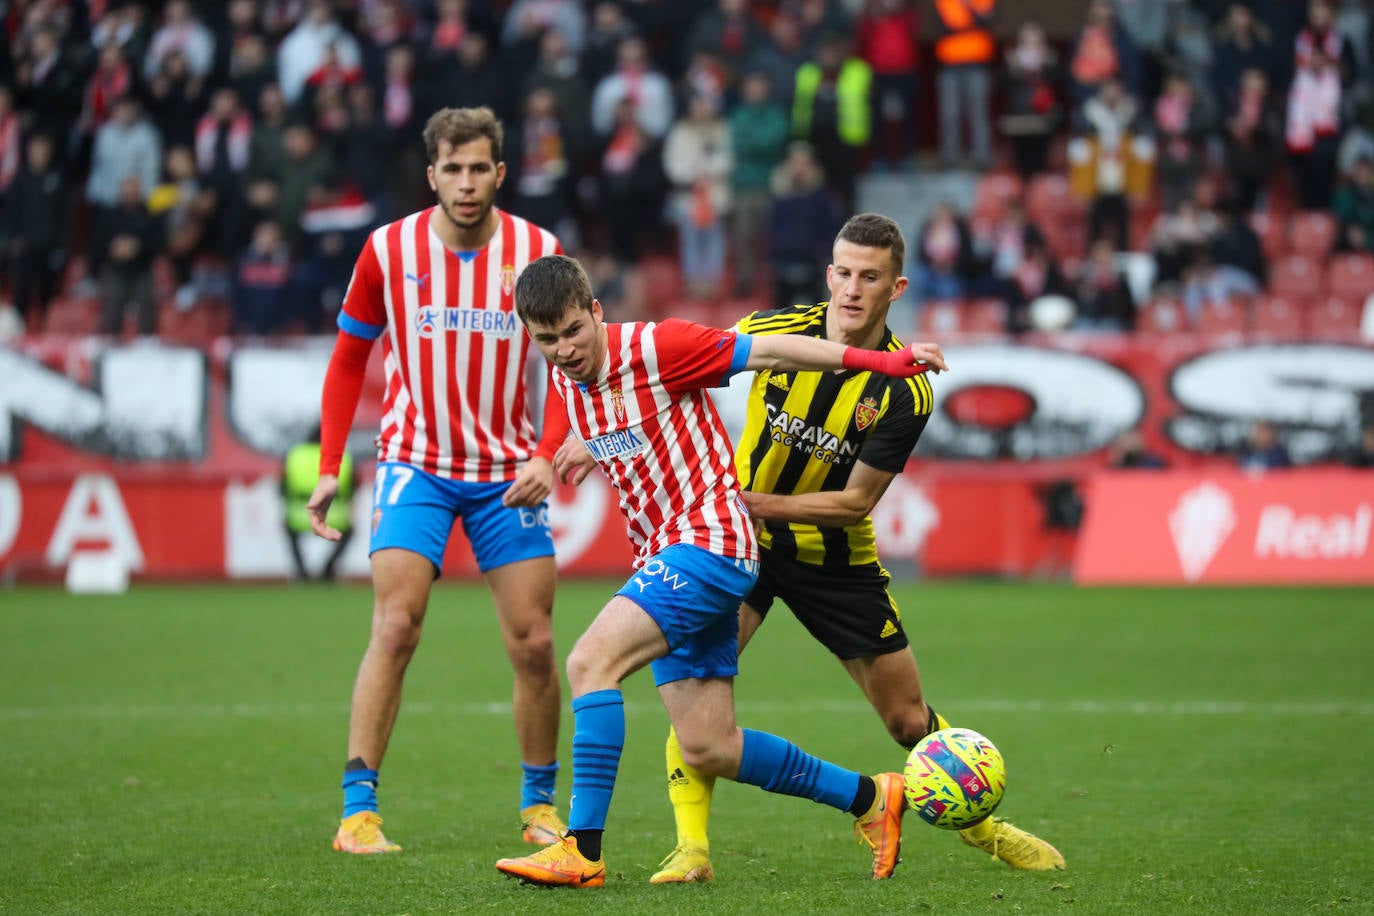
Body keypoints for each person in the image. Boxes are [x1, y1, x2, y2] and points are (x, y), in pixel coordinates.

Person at [493, 252, 948, 888]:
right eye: (549, 340)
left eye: (575, 330)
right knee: (709, 744)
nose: (566, 350)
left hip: (710, 542)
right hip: (667, 551)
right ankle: (873, 799)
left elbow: (775, 353)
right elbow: (601, 418)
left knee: (588, 663)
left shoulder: (663, 347)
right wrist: (563, 451)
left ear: (597, 311)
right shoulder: (568, 376)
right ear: (531, 337)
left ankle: (582, 849)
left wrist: (880, 362)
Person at [634, 214, 1062, 882]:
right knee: (698, 687)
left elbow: (854, 504)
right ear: (828, 272)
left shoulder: (903, 388)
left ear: (897, 287)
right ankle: (691, 848)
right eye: (844, 272)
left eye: (870, 277)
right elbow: (680, 371)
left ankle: (983, 828)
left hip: (834, 558)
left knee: (906, 719)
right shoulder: (776, 330)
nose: (852, 288)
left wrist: (747, 501)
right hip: (739, 548)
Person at [305, 106, 570, 855]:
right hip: (413, 464)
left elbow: (571, 365)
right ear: (431, 175)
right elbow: (349, 358)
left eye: (479, 167)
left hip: (504, 476)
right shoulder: (388, 251)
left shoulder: (539, 253)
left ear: (500, 173)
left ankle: (539, 807)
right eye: (451, 169)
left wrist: (547, 452)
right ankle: (358, 814)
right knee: (395, 626)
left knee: (535, 643)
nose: (465, 182)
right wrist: (330, 467)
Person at [283, 426, 355, 580]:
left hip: (300, 513)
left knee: (288, 528)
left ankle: (302, 573)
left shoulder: (295, 455)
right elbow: (353, 487)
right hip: (335, 514)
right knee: (349, 531)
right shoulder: (343, 456)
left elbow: (282, 486)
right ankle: (328, 569)